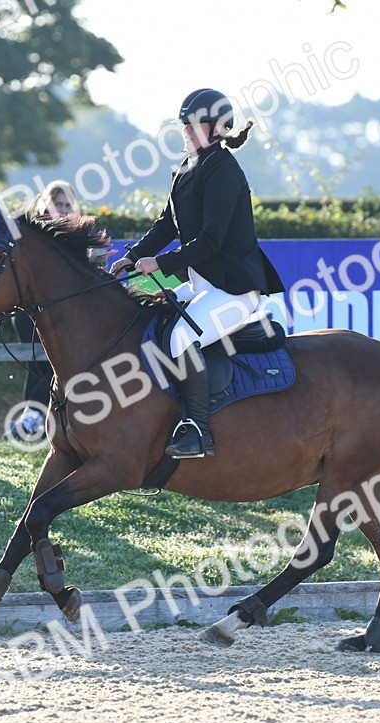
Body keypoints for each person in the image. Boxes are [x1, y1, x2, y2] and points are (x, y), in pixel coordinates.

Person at [112, 88, 286, 459]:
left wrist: (160, 263)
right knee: (152, 321)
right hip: (203, 286)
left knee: (180, 338)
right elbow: (166, 225)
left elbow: (211, 240)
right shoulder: (187, 168)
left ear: (218, 128)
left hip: (235, 290)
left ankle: (198, 431)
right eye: (185, 124)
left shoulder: (223, 170)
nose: (187, 131)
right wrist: (132, 257)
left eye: (195, 124)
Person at [5, 181, 81, 441]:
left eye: (67, 204)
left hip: (64, 313)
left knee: (56, 363)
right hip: (30, 310)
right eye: (58, 204)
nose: (63, 209)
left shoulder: (74, 233)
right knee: (39, 362)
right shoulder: (33, 233)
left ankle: (44, 419)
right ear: (46, 204)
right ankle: (32, 418)